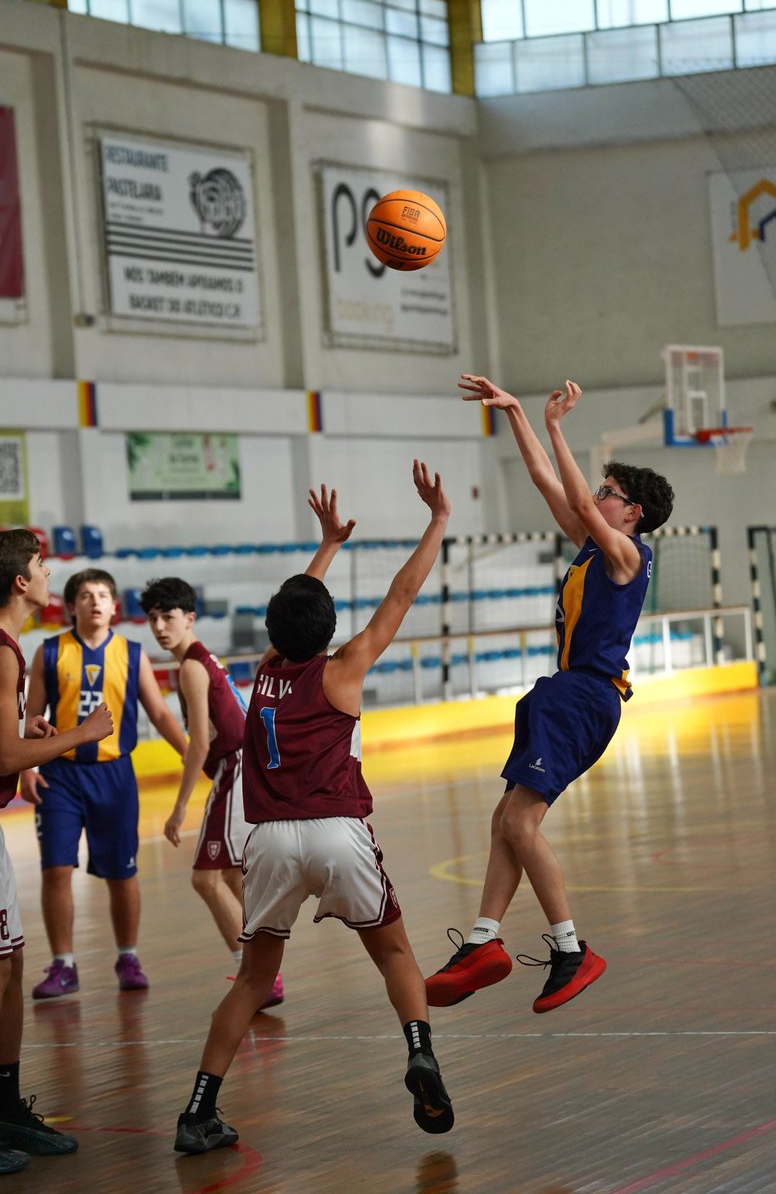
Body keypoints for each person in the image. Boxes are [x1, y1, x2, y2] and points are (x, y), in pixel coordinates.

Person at [173, 463, 454, 1155]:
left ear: (275, 627)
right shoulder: (345, 666)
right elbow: (402, 593)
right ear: (329, 629)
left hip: (266, 842)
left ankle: (197, 1112)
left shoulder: (265, 669)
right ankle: (420, 1053)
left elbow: (295, 609)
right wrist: (438, 520)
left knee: (252, 979)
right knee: (393, 953)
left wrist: (326, 545)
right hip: (337, 832)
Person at [425, 376, 674, 1015]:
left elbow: (581, 506)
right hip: (565, 694)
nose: (596, 498)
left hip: (585, 696)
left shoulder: (629, 556)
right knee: (507, 817)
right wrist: (516, 413)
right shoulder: (597, 549)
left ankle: (570, 950)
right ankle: (484, 940)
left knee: (518, 819)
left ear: (633, 512)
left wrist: (560, 428)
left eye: (608, 493)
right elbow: (544, 482)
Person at [138, 485, 356, 1010]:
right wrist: (327, 546)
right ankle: (262, 965)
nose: (160, 626)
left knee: (204, 879)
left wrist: (179, 806)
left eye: (169, 617)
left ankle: (254, 970)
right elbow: (295, 617)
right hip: (243, 769)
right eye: (153, 619)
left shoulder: (192, 665)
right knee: (233, 875)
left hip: (236, 772)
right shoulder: (221, 660)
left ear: (190, 618)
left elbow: (200, 744)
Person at [0, 530, 113, 1172]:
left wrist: (24, 725)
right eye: (42, 566)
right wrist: (75, 734)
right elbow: (6, 759)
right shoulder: (7, 652)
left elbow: (7, 739)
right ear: (21, 582)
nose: (50, 573)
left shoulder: (13, 649)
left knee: (12, 966)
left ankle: (8, 1104)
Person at [20, 567, 188, 999]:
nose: (95, 602)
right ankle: (63, 965)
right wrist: (26, 768)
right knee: (56, 868)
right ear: (72, 606)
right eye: (86, 595)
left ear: (114, 607)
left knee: (122, 873)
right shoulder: (49, 652)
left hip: (114, 777)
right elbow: (32, 718)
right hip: (60, 775)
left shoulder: (133, 654)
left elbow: (162, 714)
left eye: (103, 595)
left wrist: (191, 754)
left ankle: (128, 955)